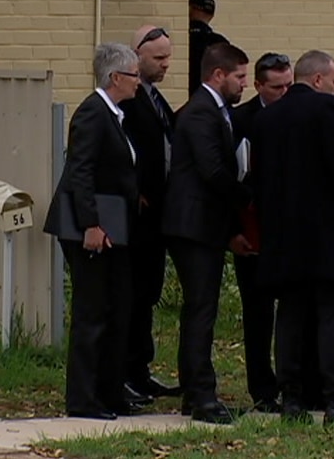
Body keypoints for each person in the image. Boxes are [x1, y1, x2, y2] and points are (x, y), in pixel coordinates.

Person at [250, 49, 334, 426]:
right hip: (324, 237)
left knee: (288, 319)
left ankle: (291, 400)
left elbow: (260, 180)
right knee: (332, 320)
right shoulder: (326, 110)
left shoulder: (266, 118)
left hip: (282, 238)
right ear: (318, 80)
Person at [43, 42, 143, 421]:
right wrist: (90, 224)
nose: (138, 82)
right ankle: (83, 399)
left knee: (116, 308)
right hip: (91, 228)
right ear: (116, 77)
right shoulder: (93, 113)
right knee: (93, 311)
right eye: (134, 75)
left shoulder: (113, 114)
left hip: (114, 225)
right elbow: (80, 171)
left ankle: (110, 392)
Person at [162, 42, 251, 424]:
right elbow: (213, 171)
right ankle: (201, 395)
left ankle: (194, 392)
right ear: (218, 75)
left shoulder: (217, 111)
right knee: (200, 310)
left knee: (202, 309)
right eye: (240, 77)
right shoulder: (201, 113)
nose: (244, 84)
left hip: (206, 225)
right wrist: (249, 197)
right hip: (192, 226)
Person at [229, 52, 293, 413]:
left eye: (288, 85)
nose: (283, 93)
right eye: (276, 87)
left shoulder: (299, 116)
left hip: (289, 232)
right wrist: (233, 232)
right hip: (252, 229)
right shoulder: (242, 120)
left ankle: (293, 382)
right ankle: (263, 389)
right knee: (257, 315)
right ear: (258, 86)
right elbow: (227, 180)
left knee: (294, 313)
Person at [119, 25, 181, 399]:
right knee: (131, 294)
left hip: (158, 214)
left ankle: (140, 368)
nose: (165, 65)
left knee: (147, 295)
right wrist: (136, 189)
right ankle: (124, 370)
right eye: (158, 58)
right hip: (135, 216)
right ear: (136, 57)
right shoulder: (127, 99)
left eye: (168, 57)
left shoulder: (157, 100)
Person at [188, 0, 228, 98]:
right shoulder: (221, 42)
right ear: (212, 15)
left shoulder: (183, 39)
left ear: (191, 9)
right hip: (211, 98)